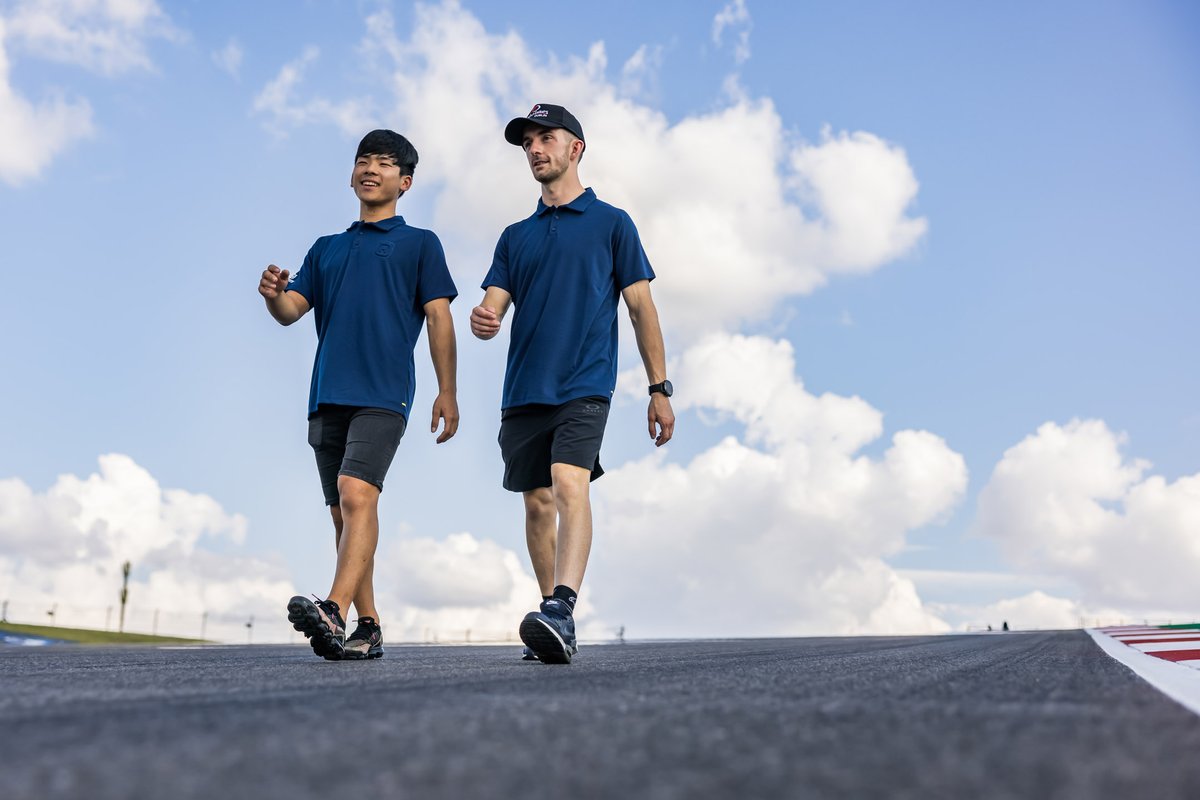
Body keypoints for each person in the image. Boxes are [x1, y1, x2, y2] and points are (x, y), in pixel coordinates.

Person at [470, 104, 675, 664]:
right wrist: (483, 320)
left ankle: (562, 606)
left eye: (546, 138)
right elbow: (492, 308)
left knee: (568, 482)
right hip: (523, 390)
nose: (535, 149)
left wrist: (660, 388)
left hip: (585, 384)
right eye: (527, 143)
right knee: (536, 503)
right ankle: (550, 618)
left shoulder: (613, 223)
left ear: (575, 148)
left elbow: (640, 307)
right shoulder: (515, 237)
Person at [258, 129, 459, 660]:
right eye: (363, 160)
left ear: (405, 181)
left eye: (385, 163)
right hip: (327, 395)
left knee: (356, 493)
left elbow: (439, 317)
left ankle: (334, 609)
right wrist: (273, 296)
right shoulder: (326, 249)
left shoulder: (421, 244)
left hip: (383, 393)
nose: (371, 169)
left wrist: (448, 391)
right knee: (344, 516)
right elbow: (290, 312)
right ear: (353, 173)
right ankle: (367, 627)